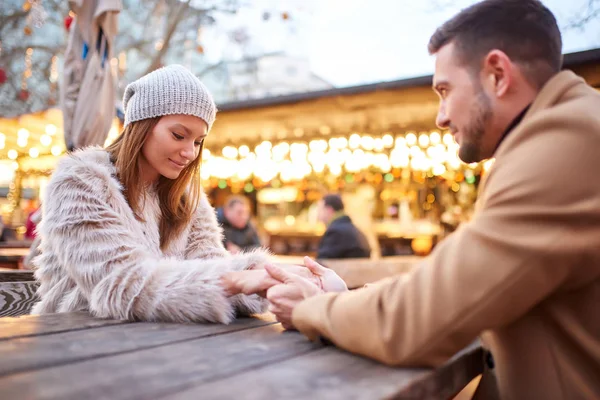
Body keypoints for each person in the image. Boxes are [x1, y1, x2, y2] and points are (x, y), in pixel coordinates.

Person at [229, 1, 600, 398]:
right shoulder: (568, 130)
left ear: (497, 74)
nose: (440, 117)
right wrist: (340, 296)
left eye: (445, 90)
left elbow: (421, 324)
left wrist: (310, 308)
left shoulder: (566, 143)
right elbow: (460, 284)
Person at [31, 65, 290, 323]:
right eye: (179, 135)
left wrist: (269, 277)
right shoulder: (79, 181)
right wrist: (235, 279)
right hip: (71, 341)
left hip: (161, 345)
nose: (190, 152)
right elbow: (121, 285)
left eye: (198, 141)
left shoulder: (189, 198)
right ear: (142, 125)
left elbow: (211, 264)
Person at [316, 194, 371, 259]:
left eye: (319, 209)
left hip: (348, 269)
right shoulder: (351, 228)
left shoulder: (336, 232)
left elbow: (322, 261)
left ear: (329, 210)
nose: (317, 214)